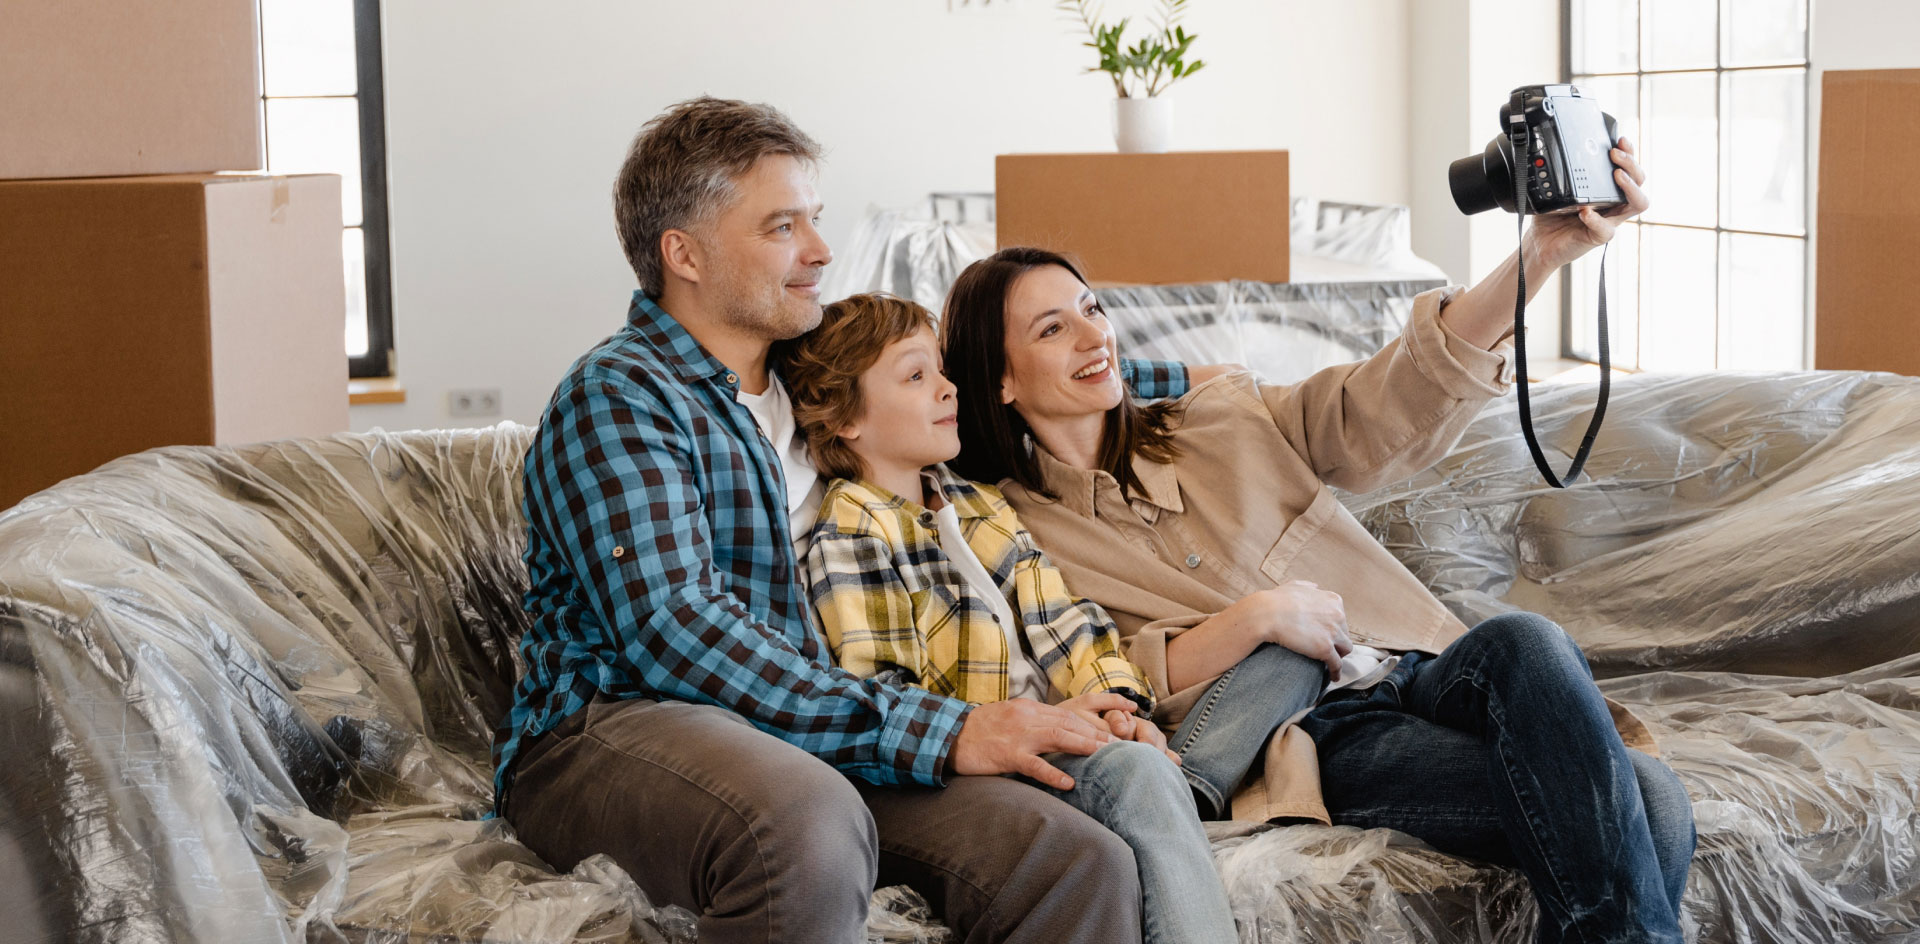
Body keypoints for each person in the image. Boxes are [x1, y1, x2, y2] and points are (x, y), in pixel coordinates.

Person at [939, 137, 1699, 943]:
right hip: (1321, 735)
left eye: (1094, 309)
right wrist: (1252, 621)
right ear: (1001, 379)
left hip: (1420, 668)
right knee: (1647, 800)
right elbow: (1097, 683)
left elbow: (1386, 400)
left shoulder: (1223, 416)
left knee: (1528, 641)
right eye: (1054, 328)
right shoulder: (1009, 528)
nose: (1095, 337)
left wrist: (1541, 253)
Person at [493, 96, 1209, 944]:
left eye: (816, 220)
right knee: (801, 823)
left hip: (805, 731)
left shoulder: (814, 377)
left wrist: (1199, 377)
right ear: (682, 254)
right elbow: (674, 630)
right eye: (781, 227)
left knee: (1071, 857)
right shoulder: (620, 396)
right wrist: (946, 729)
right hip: (616, 728)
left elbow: (1027, 377)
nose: (820, 251)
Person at [778, 292, 1239, 944]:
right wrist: (1068, 730)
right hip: (995, 762)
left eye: (940, 371)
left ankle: (1167, 778)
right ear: (847, 418)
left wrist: (1117, 705)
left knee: (1272, 665)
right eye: (917, 377)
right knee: (1140, 774)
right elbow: (891, 700)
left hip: (1071, 733)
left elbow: (1069, 618)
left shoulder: (974, 503)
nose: (947, 390)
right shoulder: (854, 532)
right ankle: (1169, 788)